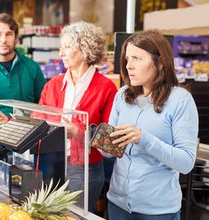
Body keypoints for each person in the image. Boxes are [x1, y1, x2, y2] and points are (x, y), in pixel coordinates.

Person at [107, 30, 199, 219]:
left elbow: (185, 163)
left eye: (137, 59)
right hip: (117, 205)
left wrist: (143, 139)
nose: (128, 65)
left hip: (158, 211)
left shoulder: (180, 100)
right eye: (127, 59)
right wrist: (99, 139)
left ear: (160, 62)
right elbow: (108, 151)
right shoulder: (123, 95)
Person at [38, 21, 117, 212]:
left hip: (83, 171)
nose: (60, 53)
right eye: (61, 47)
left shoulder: (106, 88)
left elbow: (111, 143)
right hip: (51, 164)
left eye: (67, 47)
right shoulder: (53, 84)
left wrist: (79, 133)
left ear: (84, 49)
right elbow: (36, 119)